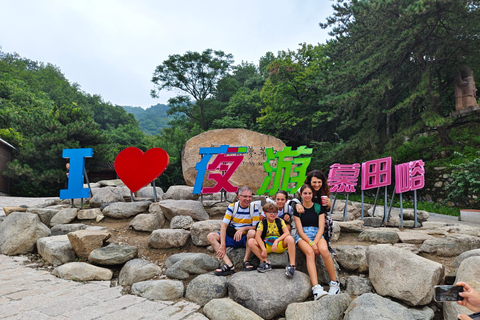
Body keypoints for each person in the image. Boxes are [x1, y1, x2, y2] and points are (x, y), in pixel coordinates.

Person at [293, 184, 340, 300]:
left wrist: (316, 241)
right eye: (305, 193)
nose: (307, 195)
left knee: (324, 250)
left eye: (309, 193)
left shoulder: (318, 207)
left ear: (312, 194)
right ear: (301, 195)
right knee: (310, 252)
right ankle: (316, 288)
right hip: (303, 237)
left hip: (317, 235)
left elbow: (321, 228)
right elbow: (300, 231)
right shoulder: (297, 209)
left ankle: (335, 284)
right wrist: (311, 244)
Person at [207, 186, 260, 276]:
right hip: (232, 236)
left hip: (245, 238)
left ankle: (246, 261)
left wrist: (243, 229)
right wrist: (223, 245)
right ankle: (229, 264)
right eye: (245, 196)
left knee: (252, 232)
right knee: (211, 236)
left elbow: (254, 226)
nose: (248, 199)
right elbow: (224, 226)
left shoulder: (253, 208)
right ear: (239, 196)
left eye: (250, 197)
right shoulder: (232, 207)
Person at [247, 202, 296, 278]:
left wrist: (276, 241)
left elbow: (287, 233)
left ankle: (292, 265)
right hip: (266, 244)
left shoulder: (280, 221)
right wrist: (263, 249)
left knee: (290, 238)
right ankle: (266, 262)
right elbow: (257, 236)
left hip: (278, 244)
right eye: (270, 212)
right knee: (251, 241)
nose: (272, 214)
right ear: (265, 213)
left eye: (274, 212)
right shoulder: (262, 223)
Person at [293, 170, 334, 253]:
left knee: (328, 221)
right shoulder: (304, 188)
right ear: (309, 181)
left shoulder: (324, 190)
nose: (317, 184)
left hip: (318, 213)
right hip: (304, 212)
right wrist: (297, 204)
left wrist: (329, 205)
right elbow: (294, 200)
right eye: (314, 182)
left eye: (319, 182)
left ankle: (327, 243)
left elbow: (325, 209)